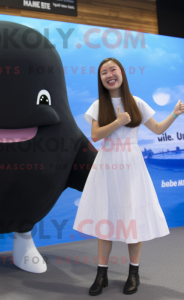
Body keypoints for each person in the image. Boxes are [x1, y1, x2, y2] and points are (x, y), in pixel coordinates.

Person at [73, 57, 184, 296]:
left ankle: (134, 273)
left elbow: (156, 129)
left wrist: (174, 114)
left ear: (122, 72)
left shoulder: (137, 103)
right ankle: (101, 273)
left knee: (132, 217)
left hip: (132, 166)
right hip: (107, 165)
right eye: (103, 72)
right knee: (106, 219)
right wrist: (117, 121)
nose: (109, 74)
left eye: (113, 69)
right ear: (100, 79)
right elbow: (95, 136)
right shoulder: (97, 105)